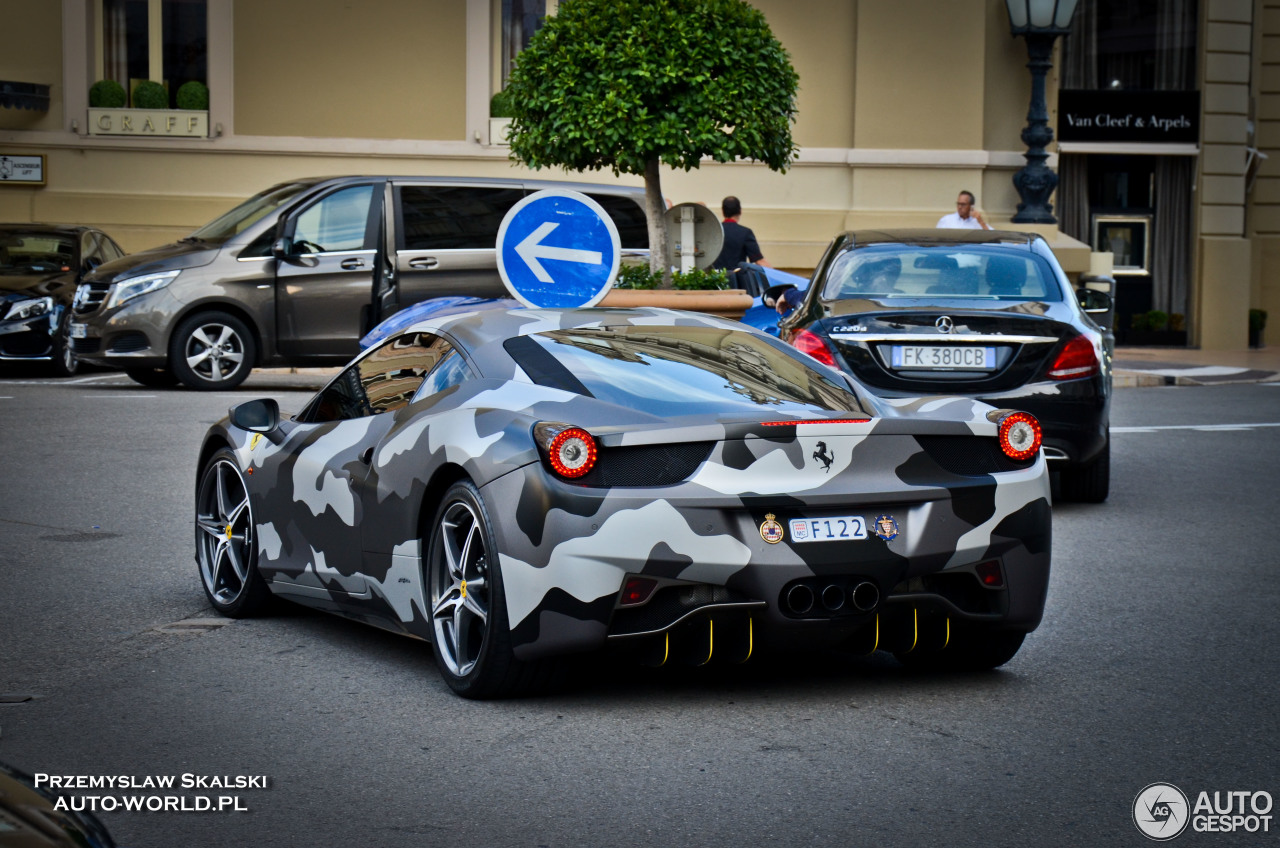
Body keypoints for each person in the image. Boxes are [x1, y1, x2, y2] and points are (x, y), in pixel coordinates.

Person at [712, 197, 771, 282]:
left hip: (716, 281)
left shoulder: (714, 232)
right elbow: (759, 261)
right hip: (737, 282)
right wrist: (777, 276)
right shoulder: (745, 233)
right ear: (740, 211)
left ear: (723, 211)